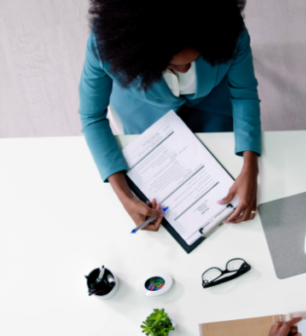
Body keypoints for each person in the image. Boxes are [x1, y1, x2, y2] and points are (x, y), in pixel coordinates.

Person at [79, 0, 261, 232]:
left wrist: (250, 167)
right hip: (144, 112)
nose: (185, 71)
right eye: (173, 65)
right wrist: (125, 196)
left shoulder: (229, 30)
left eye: (193, 61)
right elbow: (92, 117)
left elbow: (244, 95)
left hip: (213, 104)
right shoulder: (104, 44)